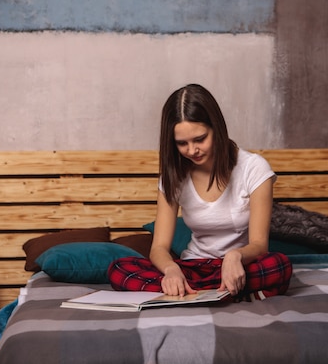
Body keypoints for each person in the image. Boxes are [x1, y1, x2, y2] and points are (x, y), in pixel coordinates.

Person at [108, 83, 292, 300]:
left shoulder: (254, 167)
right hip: (192, 266)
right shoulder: (174, 175)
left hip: (238, 265)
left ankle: (196, 292)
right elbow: (159, 247)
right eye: (182, 143)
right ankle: (226, 292)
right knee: (118, 268)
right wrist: (171, 271)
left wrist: (234, 256)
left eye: (200, 139)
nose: (192, 150)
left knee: (280, 265)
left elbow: (260, 246)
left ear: (216, 128)